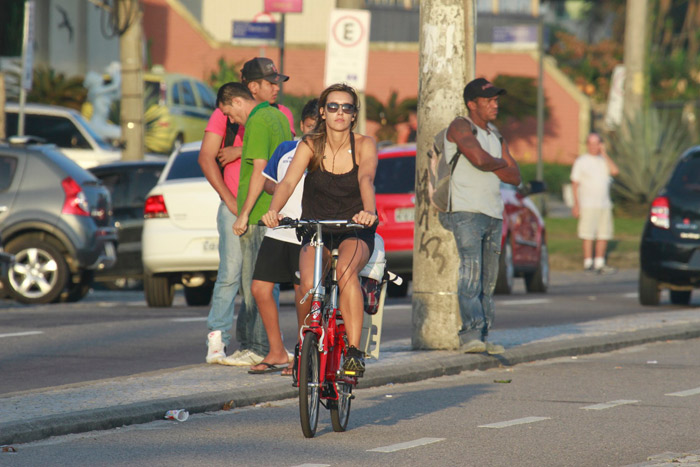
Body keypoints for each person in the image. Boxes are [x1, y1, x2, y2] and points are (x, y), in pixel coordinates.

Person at [262, 83, 378, 376]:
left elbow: (366, 178)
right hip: (316, 228)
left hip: (354, 228)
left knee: (346, 273)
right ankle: (309, 340)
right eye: (333, 106)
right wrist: (273, 210)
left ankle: (353, 352)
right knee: (308, 283)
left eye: (347, 107)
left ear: (354, 115)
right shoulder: (310, 145)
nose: (340, 112)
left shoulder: (365, 144)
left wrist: (369, 211)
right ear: (323, 112)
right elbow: (287, 182)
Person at [201, 58, 294, 366]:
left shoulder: (256, 120)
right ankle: (266, 346)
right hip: (274, 210)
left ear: (241, 99)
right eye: (272, 82)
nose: (231, 119)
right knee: (262, 281)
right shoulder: (277, 117)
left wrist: (242, 213)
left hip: (256, 214)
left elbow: (260, 170)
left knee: (253, 281)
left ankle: (256, 346)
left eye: (230, 113)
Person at [439, 78, 521, 355]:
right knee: (471, 272)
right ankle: (470, 334)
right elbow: (479, 159)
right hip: (465, 211)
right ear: (472, 104)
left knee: (488, 279)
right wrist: (499, 164)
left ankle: (484, 335)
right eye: (489, 100)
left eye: (496, 99)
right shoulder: (461, 126)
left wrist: (493, 163)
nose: (495, 104)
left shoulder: (496, 135)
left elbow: (516, 176)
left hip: (493, 213)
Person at [248, 99, 319, 375]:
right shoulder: (286, 148)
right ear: (302, 125)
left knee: (303, 292)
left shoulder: (325, 152)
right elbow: (268, 181)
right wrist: (277, 189)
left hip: (308, 231)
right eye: (310, 127)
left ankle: (302, 352)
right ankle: (276, 351)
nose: (313, 132)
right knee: (259, 288)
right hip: (279, 228)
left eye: (318, 128)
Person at [570, 132, 619, 274]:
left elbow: (615, 171)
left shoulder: (604, 161)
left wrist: (604, 154)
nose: (593, 147)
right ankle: (588, 262)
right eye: (590, 143)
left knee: (604, 234)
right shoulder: (581, 161)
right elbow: (575, 184)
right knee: (588, 234)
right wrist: (576, 204)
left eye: (596, 143)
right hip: (587, 204)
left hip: (604, 204)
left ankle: (599, 262)